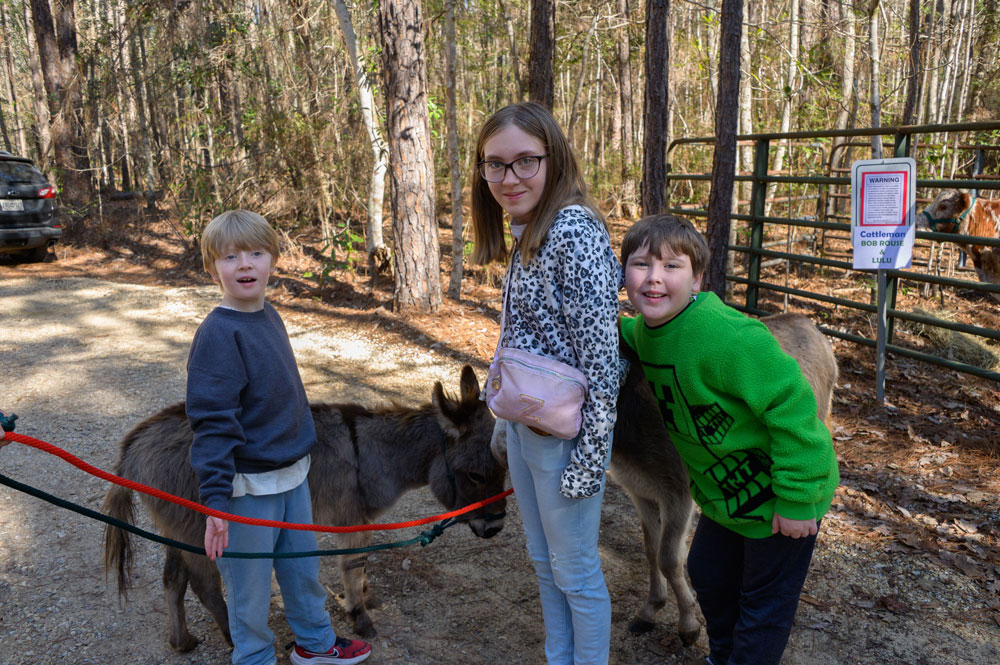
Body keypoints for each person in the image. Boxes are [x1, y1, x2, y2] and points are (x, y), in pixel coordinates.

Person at [618, 214, 840, 665]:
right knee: (709, 575)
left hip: (780, 501)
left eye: (672, 267)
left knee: (762, 607)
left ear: (698, 277)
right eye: (641, 265)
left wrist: (797, 499)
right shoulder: (648, 333)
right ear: (623, 274)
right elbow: (625, 334)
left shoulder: (729, 339)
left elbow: (795, 409)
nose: (654, 278)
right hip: (725, 500)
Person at [470, 102, 621, 665]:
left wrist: (588, 460)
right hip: (527, 426)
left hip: (566, 441)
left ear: (552, 159)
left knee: (576, 572)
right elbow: (520, 334)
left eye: (524, 162)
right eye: (495, 165)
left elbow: (603, 363)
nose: (509, 179)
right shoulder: (529, 228)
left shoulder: (573, 232)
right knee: (543, 561)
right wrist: (503, 421)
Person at [186, 210, 371, 665]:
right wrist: (215, 501)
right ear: (213, 269)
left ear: (273, 260)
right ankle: (253, 657)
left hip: (292, 478)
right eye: (230, 257)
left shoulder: (269, 315)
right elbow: (212, 421)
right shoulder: (218, 334)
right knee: (249, 590)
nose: (244, 265)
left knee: (303, 571)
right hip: (247, 489)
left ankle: (315, 642)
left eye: (255, 253)